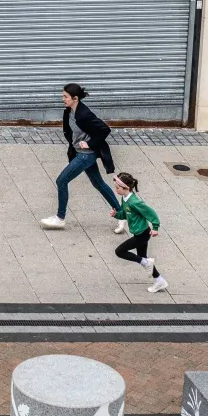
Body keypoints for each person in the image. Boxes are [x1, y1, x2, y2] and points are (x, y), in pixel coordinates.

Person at [39, 83, 123, 230]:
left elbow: (105, 129)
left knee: (61, 181)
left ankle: (60, 218)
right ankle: (121, 215)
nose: (62, 99)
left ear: (75, 98)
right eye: (62, 96)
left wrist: (89, 143)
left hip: (86, 155)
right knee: (98, 184)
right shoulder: (69, 111)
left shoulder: (84, 114)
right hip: (79, 152)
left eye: (65, 96)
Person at [112, 172, 167, 293]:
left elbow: (150, 213)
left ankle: (148, 264)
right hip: (138, 233)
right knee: (143, 258)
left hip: (142, 234)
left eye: (118, 188)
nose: (116, 190)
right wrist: (117, 214)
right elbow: (126, 214)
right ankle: (159, 280)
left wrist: (156, 227)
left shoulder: (134, 202)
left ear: (126, 187)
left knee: (120, 251)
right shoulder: (125, 198)